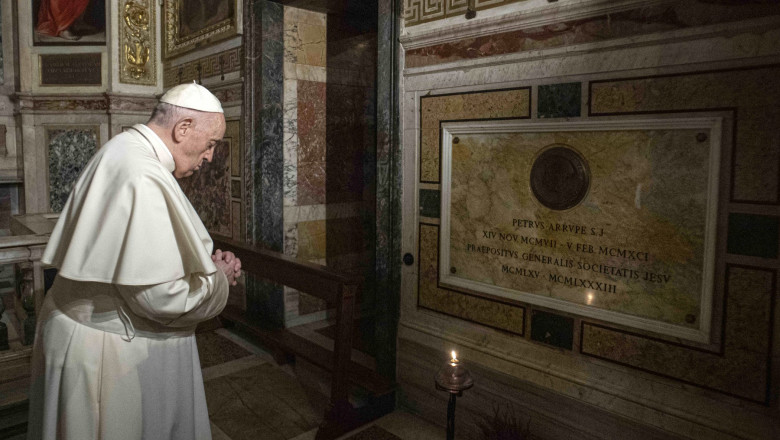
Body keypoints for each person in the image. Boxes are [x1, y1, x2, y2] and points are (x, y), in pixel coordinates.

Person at [27, 82, 242, 440]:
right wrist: (217, 277)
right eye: (212, 143)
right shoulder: (144, 174)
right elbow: (160, 298)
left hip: (82, 334)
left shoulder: (124, 150)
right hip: (104, 354)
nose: (211, 157)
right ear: (183, 128)